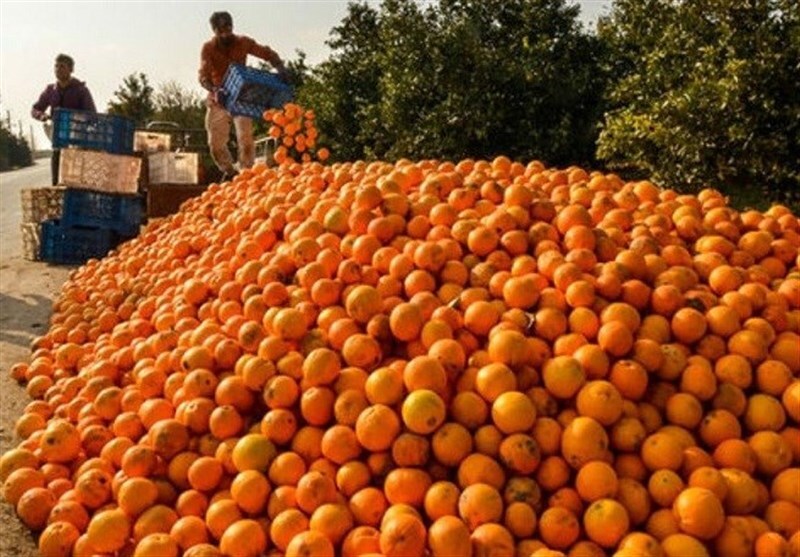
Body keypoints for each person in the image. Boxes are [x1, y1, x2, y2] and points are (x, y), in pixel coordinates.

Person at [198, 11, 288, 181]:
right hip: (219, 97)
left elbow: (266, 53)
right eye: (220, 30)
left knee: (246, 140)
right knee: (215, 143)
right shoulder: (208, 48)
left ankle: (246, 173)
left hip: (241, 96)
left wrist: (280, 67)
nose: (225, 33)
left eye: (228, 28)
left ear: (232, 26)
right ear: (214, 31)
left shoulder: (243, 42)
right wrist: (214, 90)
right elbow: (203, 75)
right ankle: (229, 171)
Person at [31, 54, 96, 185]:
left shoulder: (81, 90)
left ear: (71, 69)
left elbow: (92, 115)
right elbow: (35, 109)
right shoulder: (50, 90)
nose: (58, 69)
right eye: (56, 66)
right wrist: (42, 116)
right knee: (56, 179)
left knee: (76, 180)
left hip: (77, 143)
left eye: (62, 66)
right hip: (58, 141)